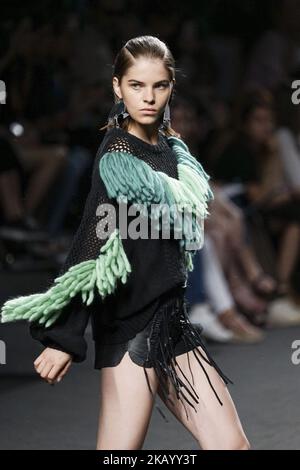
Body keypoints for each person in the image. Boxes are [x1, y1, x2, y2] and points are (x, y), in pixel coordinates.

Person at [0, 36, 249, 451]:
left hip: (172, 321)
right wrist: (65, 337)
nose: (148, 97)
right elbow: (92, 243)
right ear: (117, 87)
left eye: (159, 86)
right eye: (136, 86)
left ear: (171, 87)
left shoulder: (169, 149)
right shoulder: (119, 156)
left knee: (231, 445)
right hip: (133, 330)